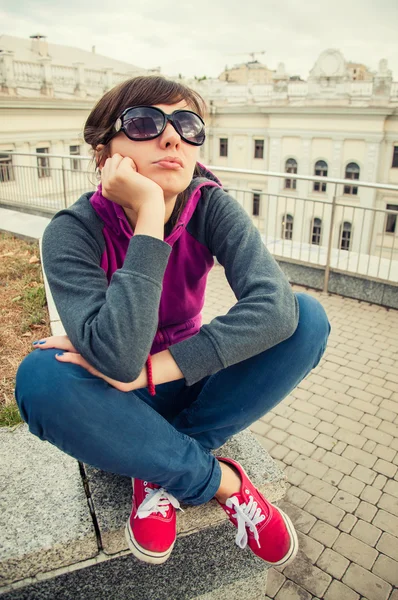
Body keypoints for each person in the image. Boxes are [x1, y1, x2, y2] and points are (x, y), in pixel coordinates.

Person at [15, 75, 331, 567]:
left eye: (187, 125)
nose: (172, 138)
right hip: (115, 395)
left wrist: (147, 371)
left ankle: (161, 463)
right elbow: (116, 359)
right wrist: (148, 215)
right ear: (105, 156)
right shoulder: (72, 232)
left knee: (307, 318)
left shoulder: (210, 204)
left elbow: (274, 307)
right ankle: (221, 481)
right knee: (39, 378)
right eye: (144, 123)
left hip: (186, 375)